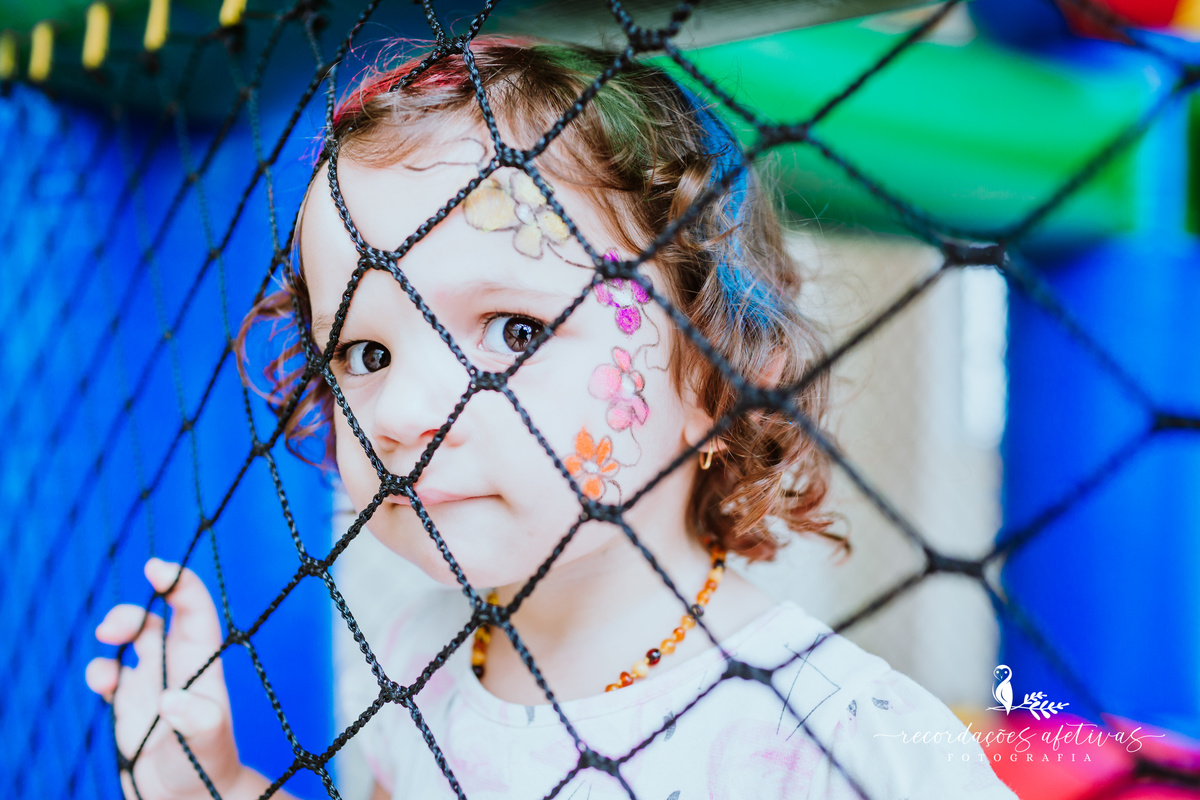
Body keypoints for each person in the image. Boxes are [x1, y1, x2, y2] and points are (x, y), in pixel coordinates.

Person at [85, 36, 1017, 800]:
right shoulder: (418, 653)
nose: (401, 412)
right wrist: (215, 787)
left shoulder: (841, 740)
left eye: (515, 331)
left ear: (722, 384)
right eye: (364, 354)